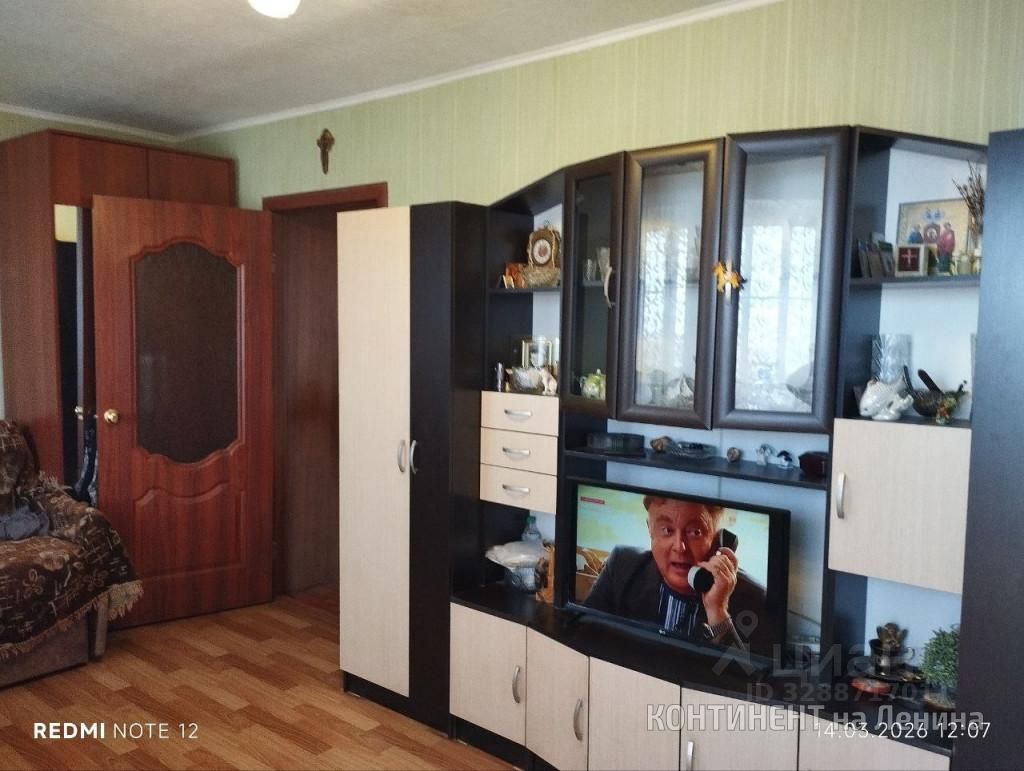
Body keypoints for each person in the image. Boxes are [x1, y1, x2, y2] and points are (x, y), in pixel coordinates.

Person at [583, 496, 768, 652]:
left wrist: (718, 612)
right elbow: (582, 636)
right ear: (650, 530)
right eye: (666, 530)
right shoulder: (622, 566)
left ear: (717, 540)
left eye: (695, 532)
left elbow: (746, 678)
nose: (679, 547)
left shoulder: (756, 598)